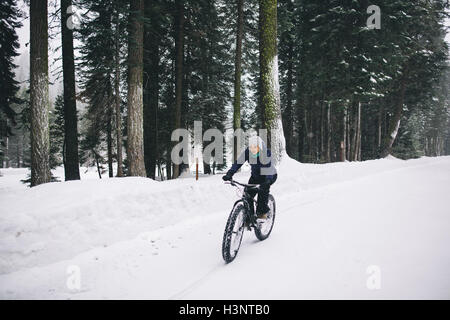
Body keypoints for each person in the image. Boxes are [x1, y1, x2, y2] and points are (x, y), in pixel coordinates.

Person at [222, 136, 277, 220]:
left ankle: (262, 214)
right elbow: (238, 163)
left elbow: (268, 168)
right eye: (251, 147)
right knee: (247, 195)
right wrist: (230, 173)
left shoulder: (266, 153)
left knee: (262, 192)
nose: (252, 149)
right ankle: (248, 217)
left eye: (255, 147)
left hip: (269, 176)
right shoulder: (247, 152)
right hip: (255, 176)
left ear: (260, 147)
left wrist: (268, 180)